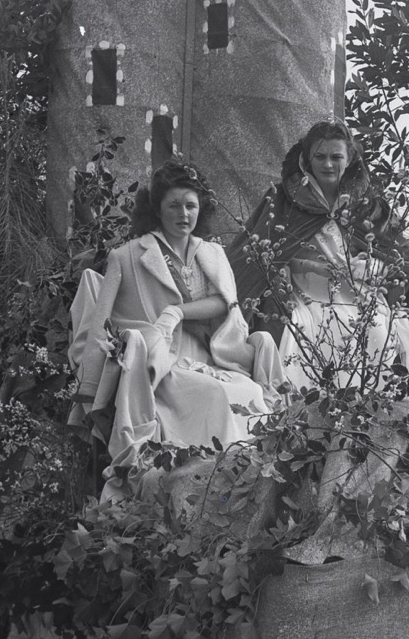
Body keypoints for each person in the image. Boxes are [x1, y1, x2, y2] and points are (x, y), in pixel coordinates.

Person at [69, 161, 283, 469]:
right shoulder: (127, 256)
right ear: (157, 209)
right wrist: (89, 388)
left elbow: (225, 302)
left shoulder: (213, 253)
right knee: (215, 393)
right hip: (161, 361)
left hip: (212, 357)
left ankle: (248, 471)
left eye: (191, 206)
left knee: (247, 391)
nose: (184, 214)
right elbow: (100, 323)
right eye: (174, 205)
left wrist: (177, 312)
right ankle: (213, 472)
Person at [230, 120, 409, 392]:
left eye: (336, 157)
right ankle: (307, 405)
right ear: (307, 159)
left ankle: (370, 406)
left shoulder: (367, 205)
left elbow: (400, 255)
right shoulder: (284, 200)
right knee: (303, 332)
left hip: (356, 291)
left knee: (375, 330)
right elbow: (265, 255)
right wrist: (313, 267)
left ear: (349, 160)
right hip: (304, 291)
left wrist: (373, 266)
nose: (328, 165)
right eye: (320, 157)